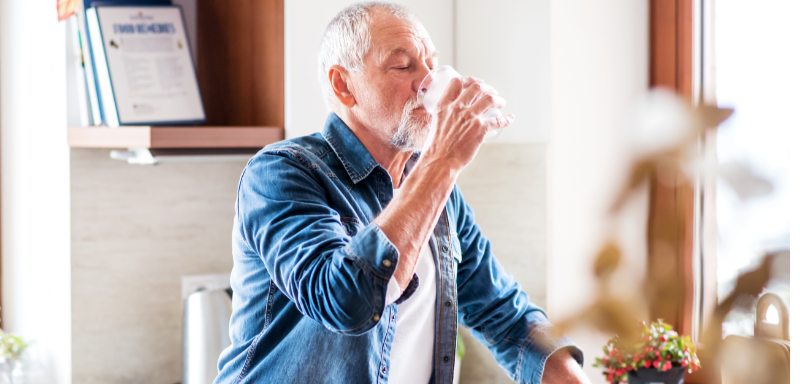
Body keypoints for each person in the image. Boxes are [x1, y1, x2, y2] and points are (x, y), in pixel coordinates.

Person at [215, 2, 590, 383]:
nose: (427, 82)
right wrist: (442, 159)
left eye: (430, 64)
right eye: (403, 66)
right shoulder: (283, 172)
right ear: (343, 86)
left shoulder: (438, 191)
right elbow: (345, 302)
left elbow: (505, 316)